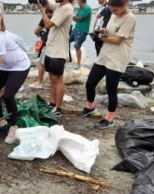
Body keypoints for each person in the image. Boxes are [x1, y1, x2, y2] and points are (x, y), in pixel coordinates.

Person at [80, 0, 136, 129]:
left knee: (111, 89)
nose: (113, 12)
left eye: (116, 10)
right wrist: (103, 31)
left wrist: (99, 38)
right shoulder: (113, 14)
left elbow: (117, 40)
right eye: (111, 10)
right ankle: (90, 107)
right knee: (90, 83)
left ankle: (109, 119)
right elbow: (111, 33)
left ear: (124, 6)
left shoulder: (130, 18)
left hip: (117, 57)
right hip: (105, 54)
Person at [37, 0, 74, 116]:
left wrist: (42, 11)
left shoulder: (67, 8)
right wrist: (41, 2)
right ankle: (52, 103)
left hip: (58, 51)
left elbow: (47, 24)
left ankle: (58, 108)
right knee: (52, 78)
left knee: (58, 79)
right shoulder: (59, 6)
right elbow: (48, 4)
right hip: (51, 49)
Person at [29, 9, 53, 89]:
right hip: (59, 45)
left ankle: (39, 82)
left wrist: (42, 31)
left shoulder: (44, 19)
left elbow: (36, 31)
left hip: (48, 44)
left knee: (42, 64)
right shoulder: (58, 17)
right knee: (54, 66)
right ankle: (53, 84)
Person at [69, 0, 92, 69]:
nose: (77, 3)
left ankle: (78, 64)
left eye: (78, 2)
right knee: (66, 41)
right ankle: (67, 57)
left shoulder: (87, 8)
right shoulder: (79, 8)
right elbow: (76, 18)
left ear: (82, 1)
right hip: (76, 29)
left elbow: (78, 19)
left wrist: (69, 15)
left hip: (82, 30)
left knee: (77, 46)